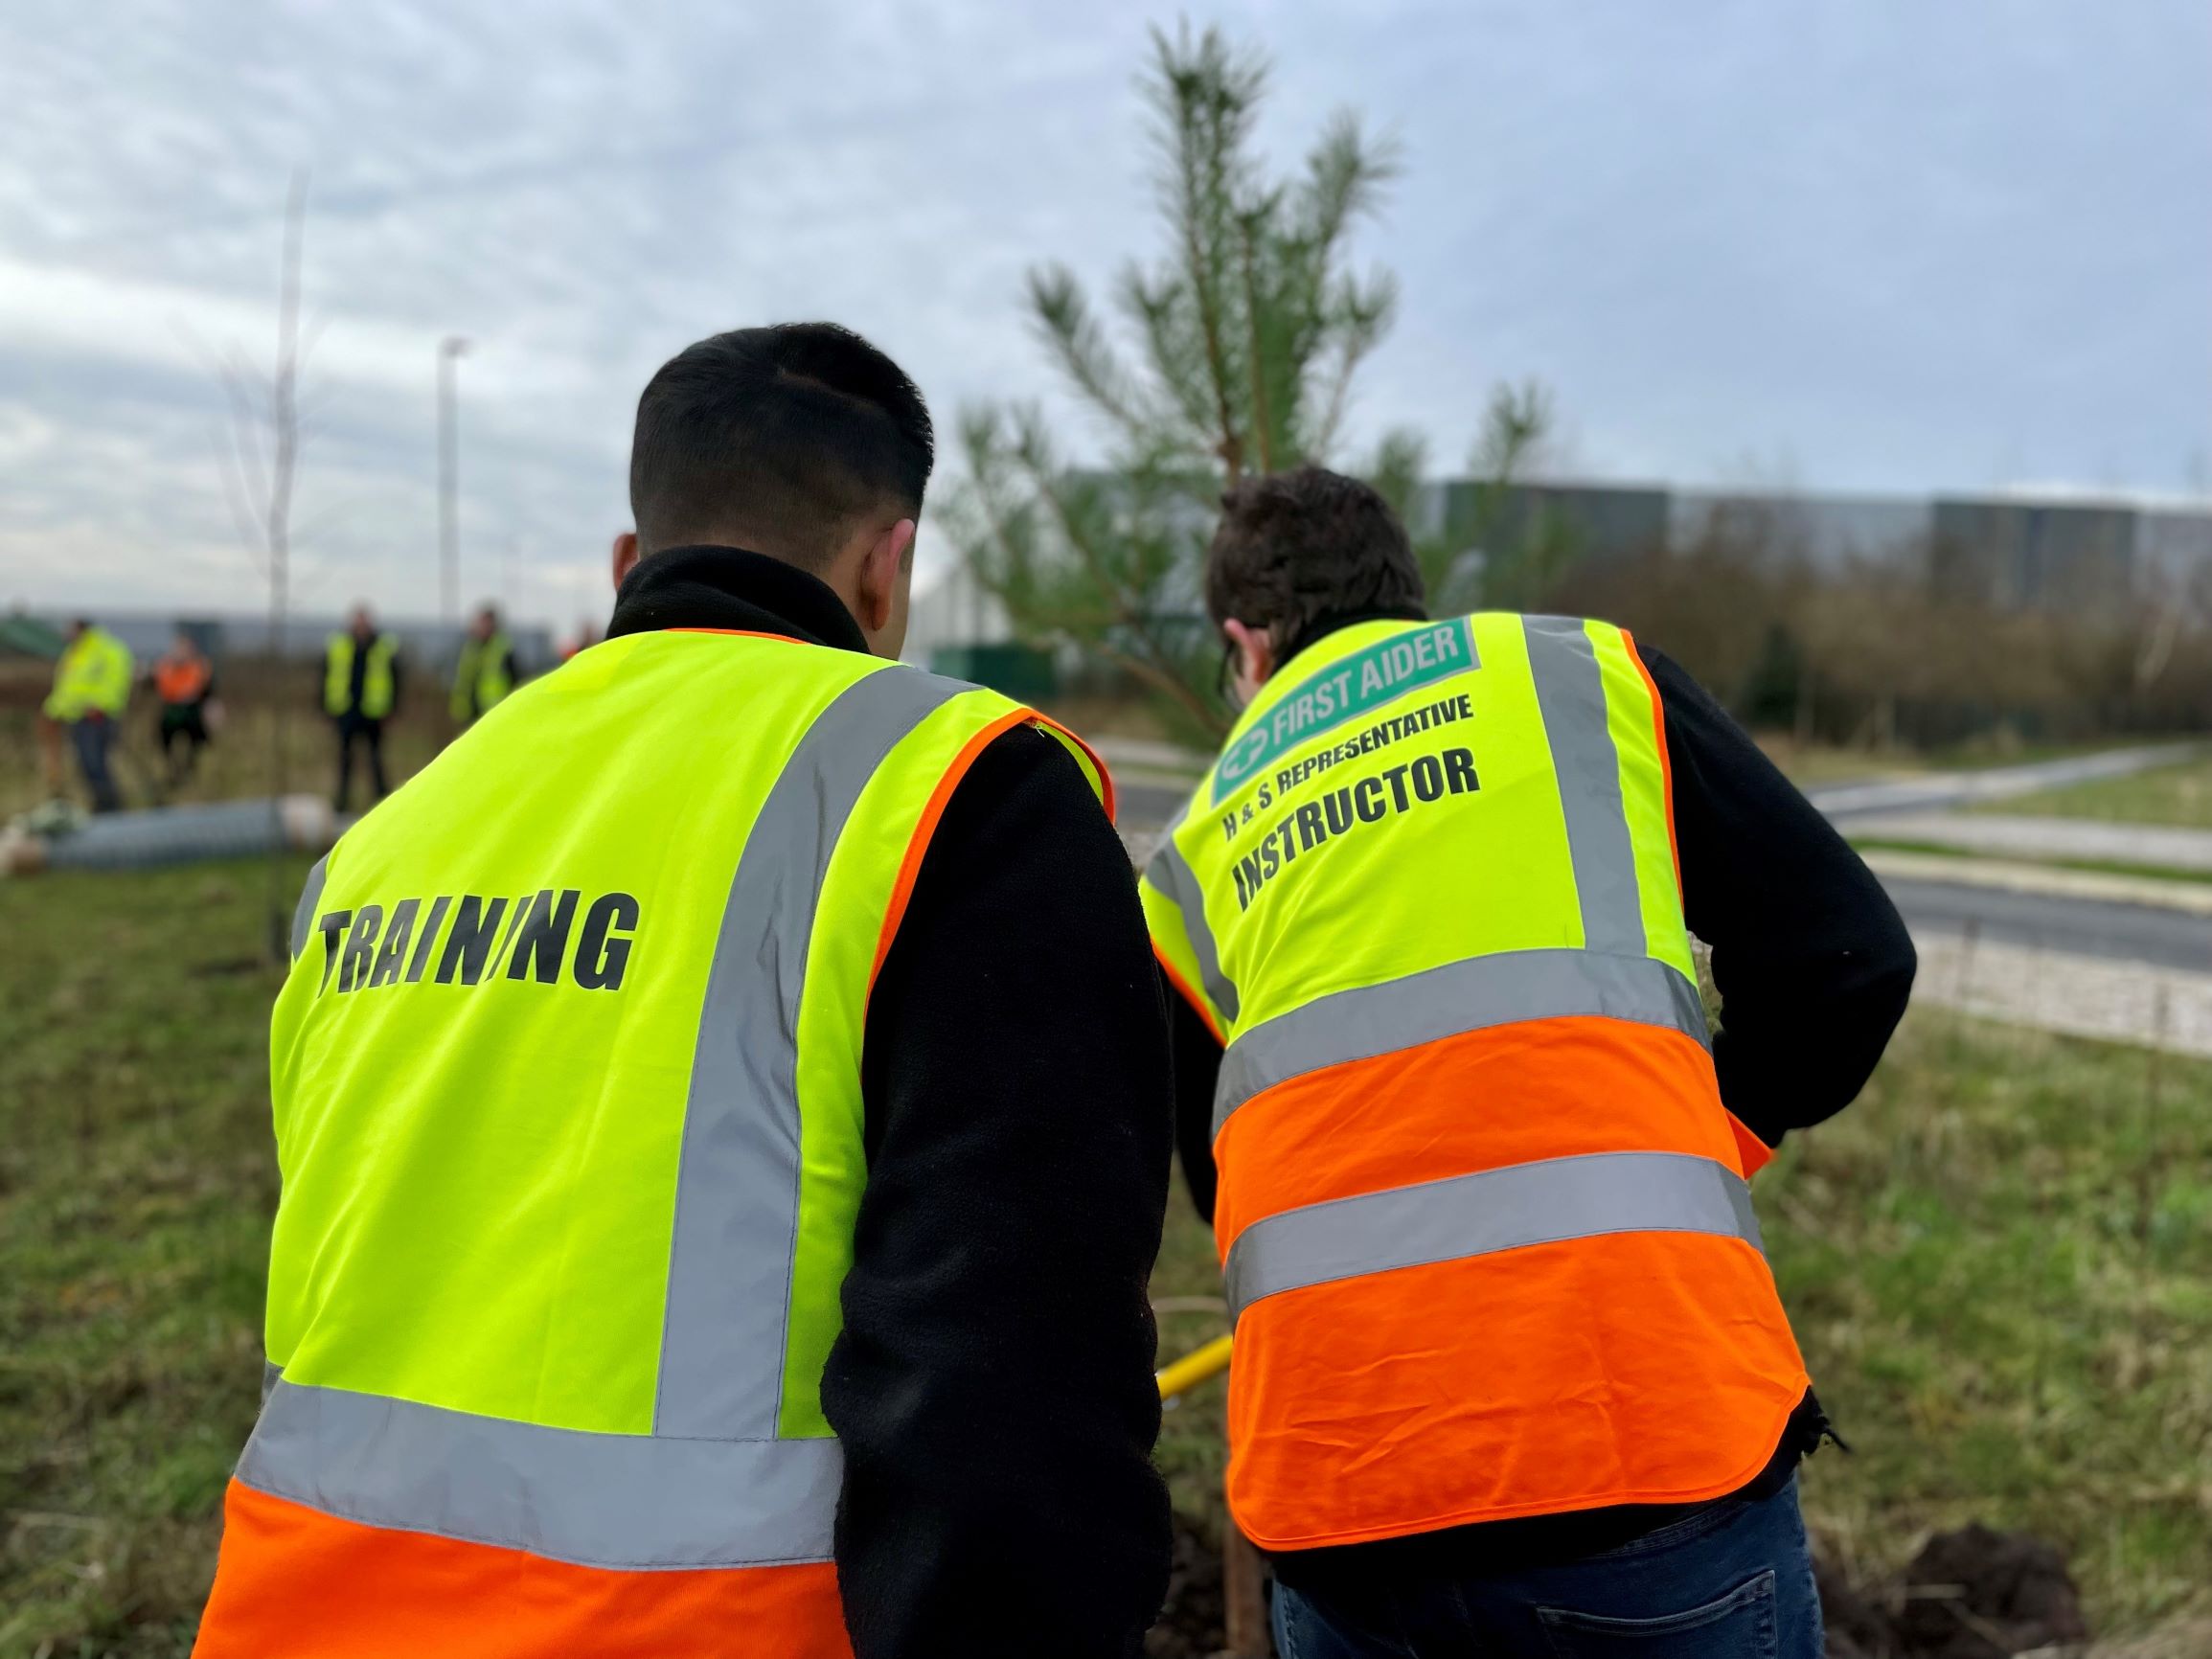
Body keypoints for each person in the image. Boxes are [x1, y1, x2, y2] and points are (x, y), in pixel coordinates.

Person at [194, 323, 1174, 1659]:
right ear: (887, 571)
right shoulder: (950, 796)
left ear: (625, 565)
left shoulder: (382, 844)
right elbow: (1011, 1400)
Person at [1138, 466, 1916, 1659]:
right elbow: (1847, 962)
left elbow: (1228, 1192)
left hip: (1340, 1500)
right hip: (1638, 1445)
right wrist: (1710, 1143)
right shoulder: (1577, 675)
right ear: (1408, 597)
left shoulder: (1191, 856)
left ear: (1243, 645)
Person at [43, 617, 133, 812]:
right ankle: (102, 807)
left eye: (70, 629)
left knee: (96, 764)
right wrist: (51, 711)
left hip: (98, 718)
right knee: (86, 766)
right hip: (77, 719)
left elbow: (116, 682)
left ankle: (110, 809)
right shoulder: (74, 653)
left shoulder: (108, 649)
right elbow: (67, 688)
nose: (67, 634)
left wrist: (100, 706)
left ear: (81, 629)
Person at [322, 605, 401, 811]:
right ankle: (342, 802)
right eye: (358, 621)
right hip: (346, 710)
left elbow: (396, 679)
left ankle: (382, 801)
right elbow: (326, 676)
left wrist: (392, 708)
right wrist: (325, 707)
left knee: (376, 760)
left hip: (374, 713)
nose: (361, 626)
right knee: (345, 760)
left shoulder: (383, 647)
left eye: (364, 621)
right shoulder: (339, 645)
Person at [150, 626, 217, 787]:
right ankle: (172, 769)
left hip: (192, 709)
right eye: (178, 648)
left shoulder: (200, 666)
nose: (181, 652)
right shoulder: (164, 666)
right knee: (163, 737)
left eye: (185, 648)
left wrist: (212, 708)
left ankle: (190, 770)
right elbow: (153, 684)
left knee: (198, 739)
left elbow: (209, 690)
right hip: (171, 708)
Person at [448, 602, 518, 726]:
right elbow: (463, 679)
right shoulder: (470, 648)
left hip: (493, 712)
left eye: (486, 623)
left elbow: (515, 681)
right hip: (470, 711)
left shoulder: (503, 649)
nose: (482, 626)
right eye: (481, 622)